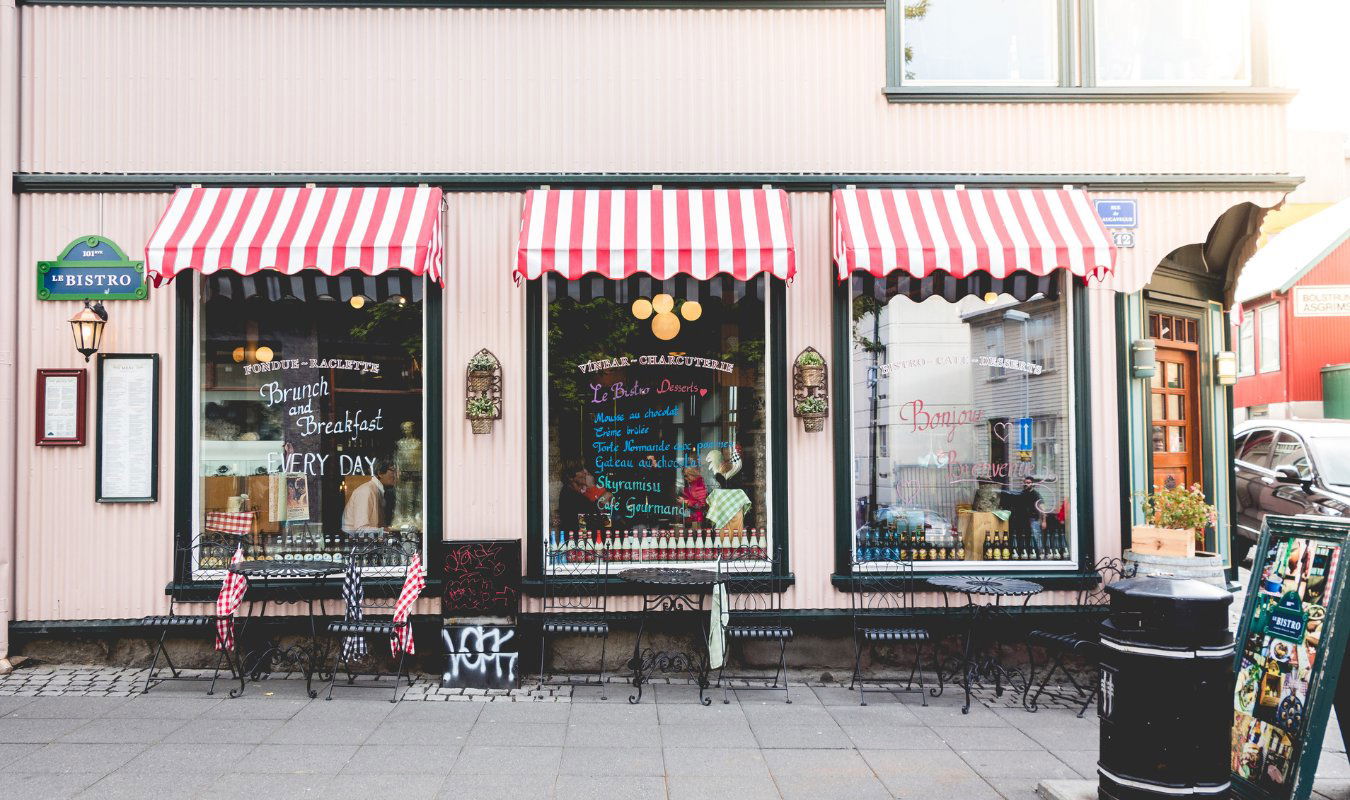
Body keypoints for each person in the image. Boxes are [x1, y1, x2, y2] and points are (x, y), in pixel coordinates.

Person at [341, 459, 399, 533]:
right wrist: (387, 531)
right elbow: (360, 529)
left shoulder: (377, 491)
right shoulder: (366, 491)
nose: (397, 474)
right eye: (393, 470)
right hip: (354, 542)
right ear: (380, 473)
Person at [557, 462, 611, 531]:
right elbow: (583, 527)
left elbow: (606, 520)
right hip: (581, 538)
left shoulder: (583, 492)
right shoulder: (570, 495)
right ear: (570, 477)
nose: (585, 472)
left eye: (584, 469)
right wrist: (593, 488)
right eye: (580, 470)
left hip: (595, 535)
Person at [1005, 476, 1048, 551]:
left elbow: (1043, 508)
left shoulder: (1036, 494)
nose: (1026, 484)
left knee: (1036, 538)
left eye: (1028, 483)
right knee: (1024, 539)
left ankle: (1040, 555)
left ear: (1033, 484)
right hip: (1022, 520)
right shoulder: (1022, 493)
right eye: (1025, 483)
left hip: (1033, 520)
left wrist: (1044, 521)